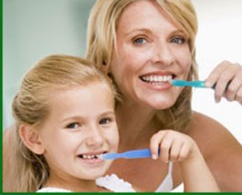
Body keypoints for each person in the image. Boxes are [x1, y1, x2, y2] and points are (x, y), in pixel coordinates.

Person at [3, 0, 242, 192]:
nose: (165, 57)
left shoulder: (197, 136)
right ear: (105, 55)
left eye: (177, 39)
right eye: (140, 40)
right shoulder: (32, 138)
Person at [6, 54, 220, 192]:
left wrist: (191, 157)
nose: (96, 139)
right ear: (34, 139)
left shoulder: (113, 187)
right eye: (73, 125)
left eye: (104, 120)